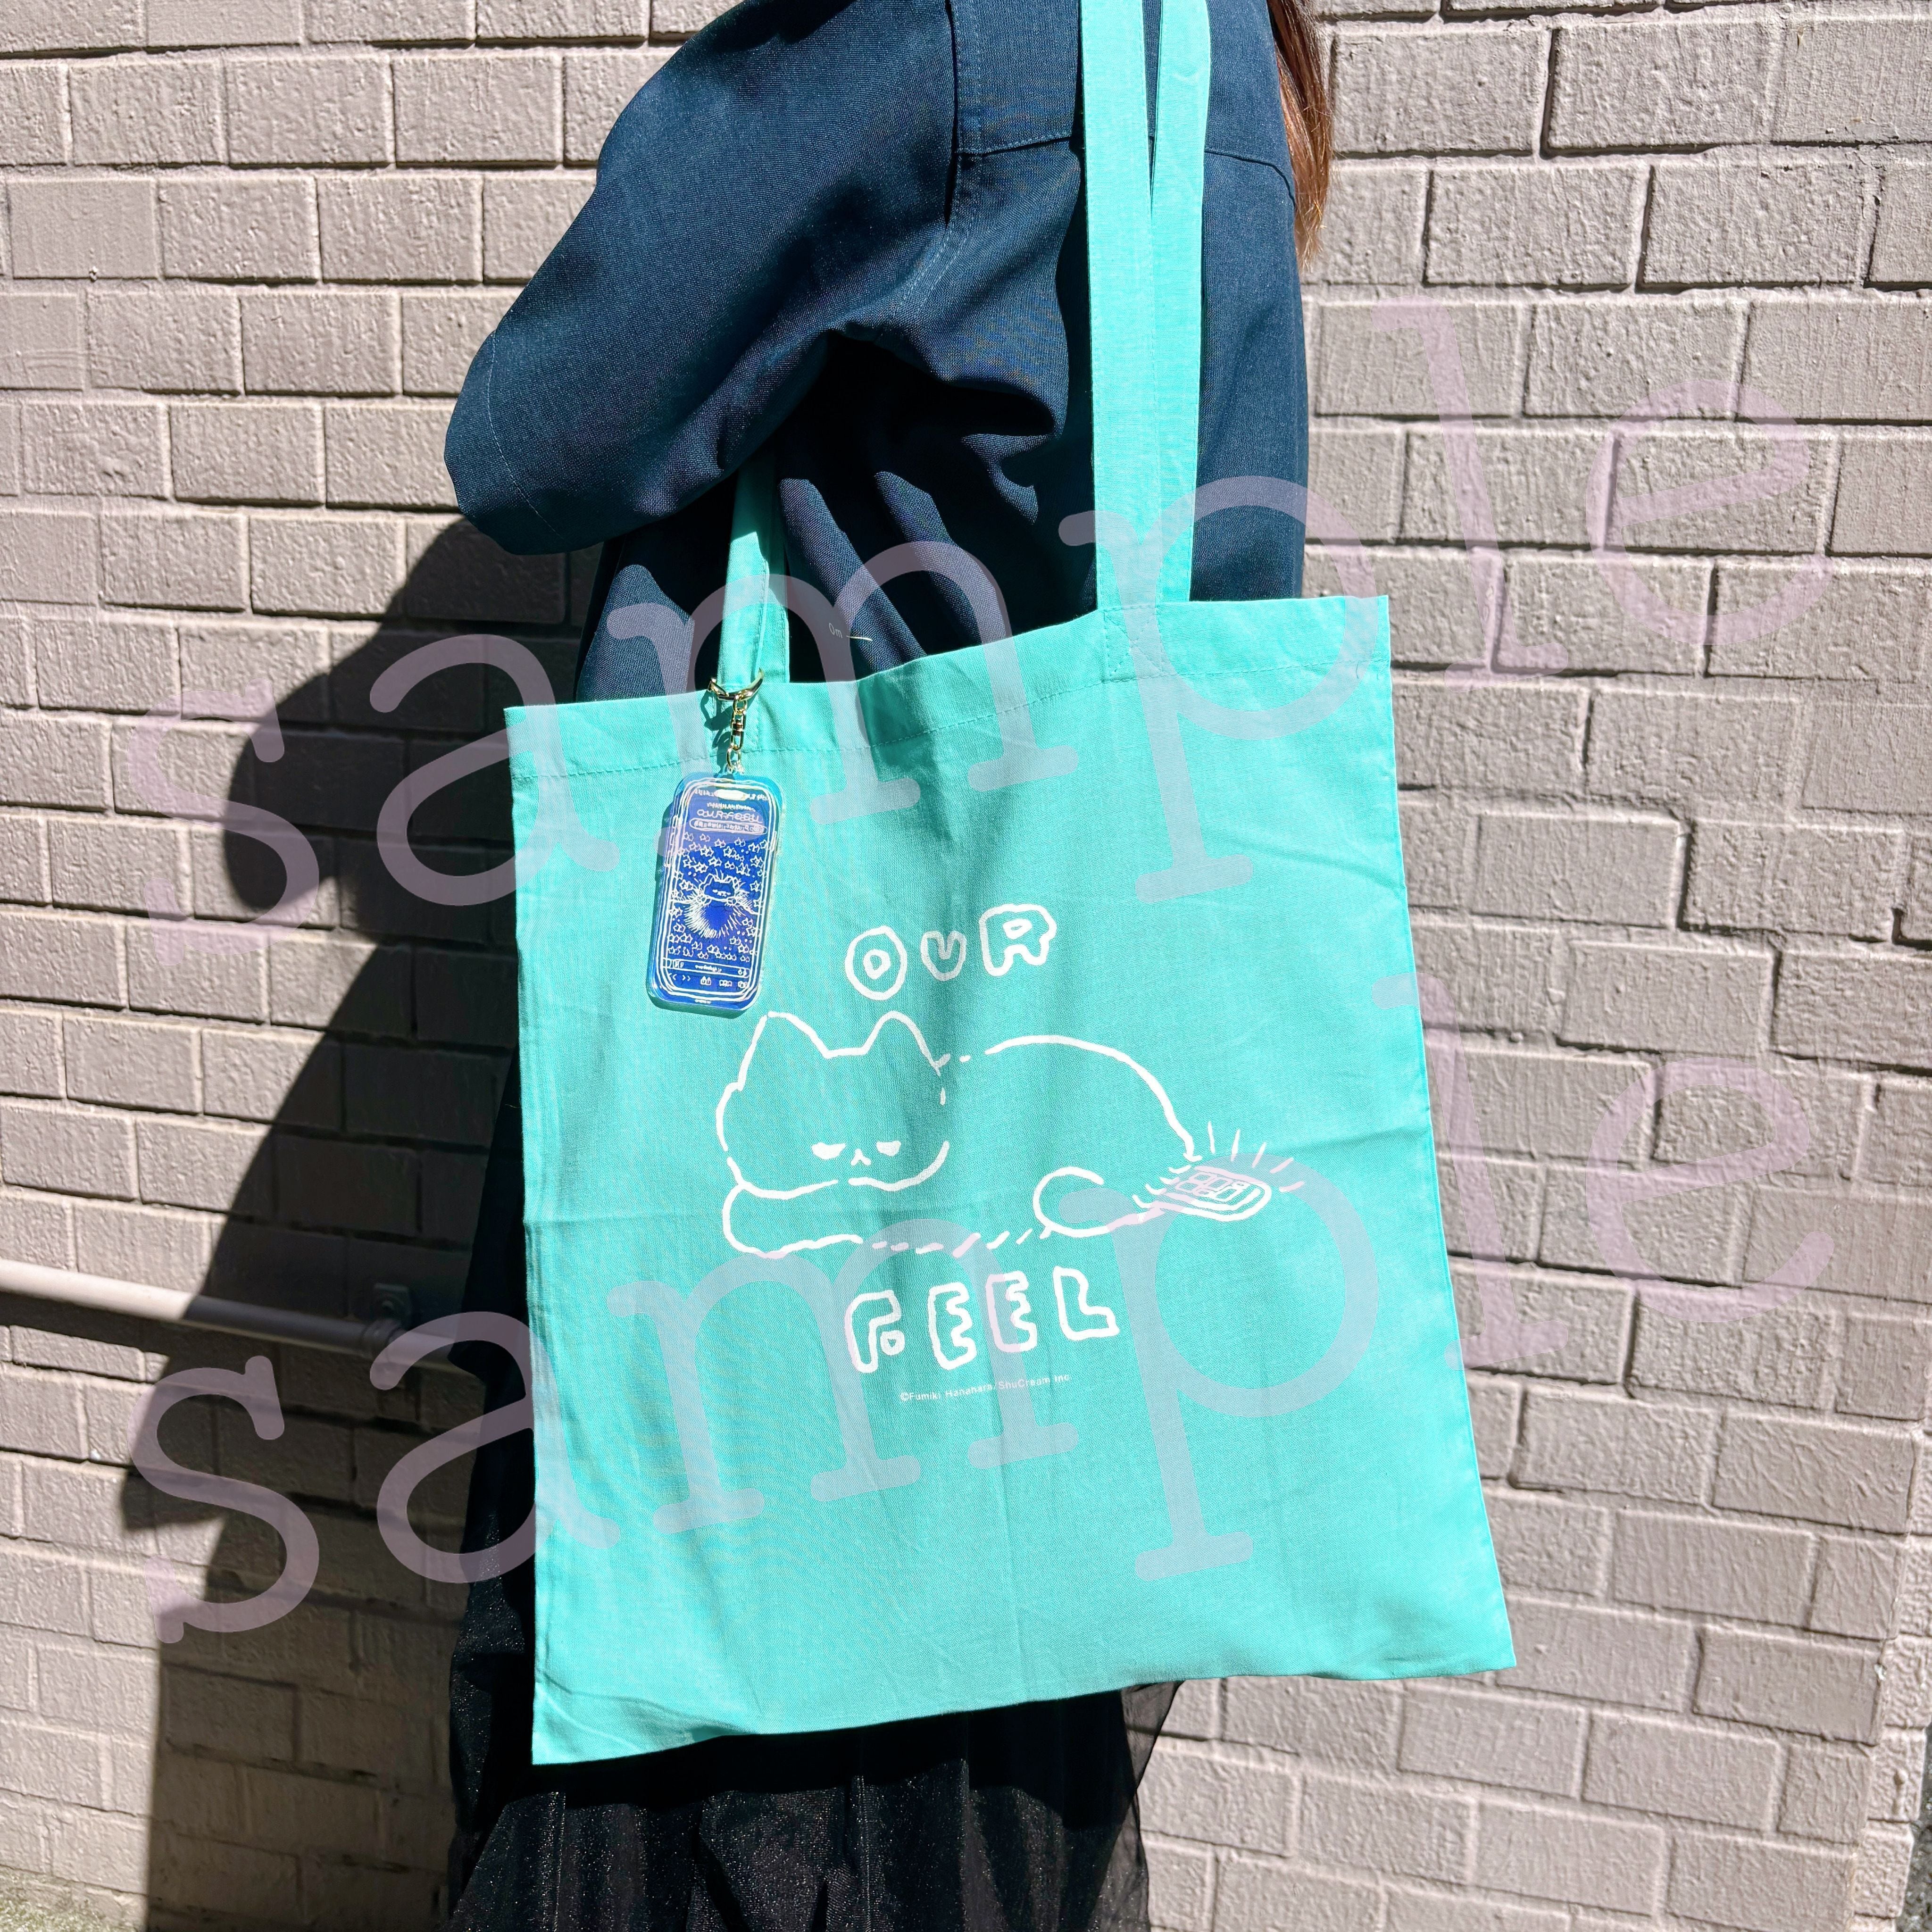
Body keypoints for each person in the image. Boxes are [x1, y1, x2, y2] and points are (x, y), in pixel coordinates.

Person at [440, 0, 1328, 1925]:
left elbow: (528, 438)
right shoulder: (1196, 50)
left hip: (772, 1024)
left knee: (688, 1660)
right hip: (1035, 1034)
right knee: (969, 1674)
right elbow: (1220, 584)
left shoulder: (912, 41)